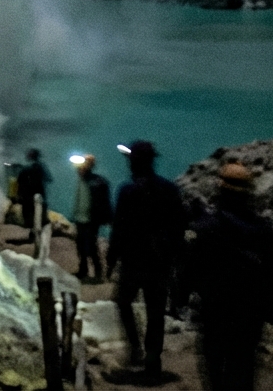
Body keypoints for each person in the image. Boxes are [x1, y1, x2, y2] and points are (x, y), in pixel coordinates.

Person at [186, 161, 273, 391]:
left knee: (215, 372)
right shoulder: (263, 230)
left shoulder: (207, 227)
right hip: (249, 315)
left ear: (221, 190)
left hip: (214, 312)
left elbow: (191, 267)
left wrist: (183, 295)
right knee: (243, 368)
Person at [107, 140, 186, 378]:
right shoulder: (169, 189)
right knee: (155, 313)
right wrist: (173, 257)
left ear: (135, 162)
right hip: (159, 263)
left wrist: (111, 259)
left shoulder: (127, 190)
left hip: (133, 261)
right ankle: (153, 361)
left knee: (123, 302)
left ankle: (135, 348)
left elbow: (119, 228)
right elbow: (179, 226)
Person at [72, 154, 112, 281]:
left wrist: (106, 218)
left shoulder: (97, 181)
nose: (80, 169)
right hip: (80, 218)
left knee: (91, 247)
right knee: (80, 246)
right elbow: (79, 199)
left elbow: (103, 201)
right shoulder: (82, 180)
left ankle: (98, 274)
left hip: (91, 219)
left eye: (85, 165)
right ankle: (83, 271)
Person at [16, 149, 51, 240]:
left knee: (30, 216)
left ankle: (33, 234)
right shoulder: (40, 167)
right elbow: (48, 178)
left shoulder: (26, 168)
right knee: (38, 216)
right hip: (38, 197)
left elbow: (19, 181)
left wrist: (19, 194)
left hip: (28, 197)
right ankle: (37, 235)